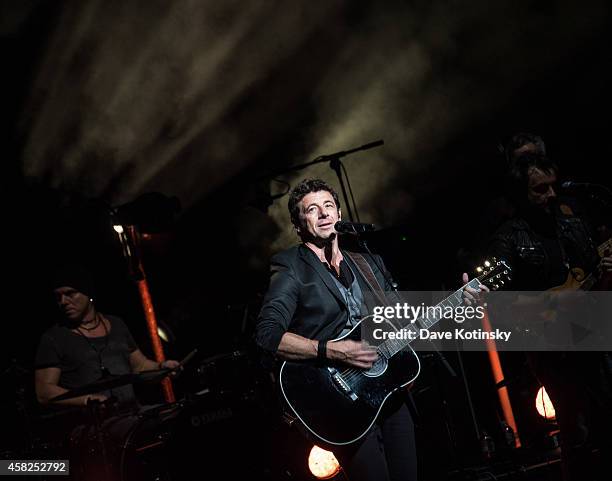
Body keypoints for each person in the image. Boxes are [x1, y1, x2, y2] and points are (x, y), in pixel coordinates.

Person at [255, 178, 483, 481]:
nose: (323, 214)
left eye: (328, 206)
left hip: (387, 391)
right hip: (338, 401)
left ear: (338, 214)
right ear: (299, 225)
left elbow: (404, 321)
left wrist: (458, 301)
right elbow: (267, 335)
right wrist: (332, 350)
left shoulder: (368, 262)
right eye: (312, 210)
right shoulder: (291, 267)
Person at [488, 152, 612, 481]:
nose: (551, 195)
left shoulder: (573, 224)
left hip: (592, 334)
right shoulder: (509, 237)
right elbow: (502, 302)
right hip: (549, 344)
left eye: (552, 186)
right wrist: (557, 301)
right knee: (576, 429)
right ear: (519, 195)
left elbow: (594, 283)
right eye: (539, 190)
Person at [35, 264, 180, 409]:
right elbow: (44, 392)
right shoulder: (53, 338)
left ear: (88, 293)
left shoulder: (116, 324)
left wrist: (162, 367)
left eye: (70, 294)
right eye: (58, 297)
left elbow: (139, 365)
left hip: (133, 412)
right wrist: (87, 400)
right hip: (94, 424)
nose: (63, 302)